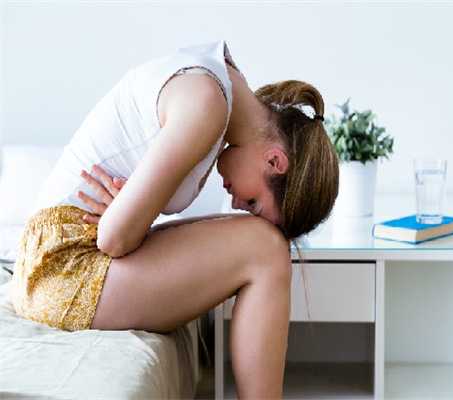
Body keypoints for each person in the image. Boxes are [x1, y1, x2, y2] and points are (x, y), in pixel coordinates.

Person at [10, 39, 339, 398]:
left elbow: (124, 232)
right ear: (275, 161)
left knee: (265, 243)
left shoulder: (221, 87)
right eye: (253, 202)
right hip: (60, 269)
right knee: (268, 249)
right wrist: (122, 220)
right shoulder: (207, 103)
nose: (236, 203)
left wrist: (128, 214)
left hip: (59, 258)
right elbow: (113, 239)